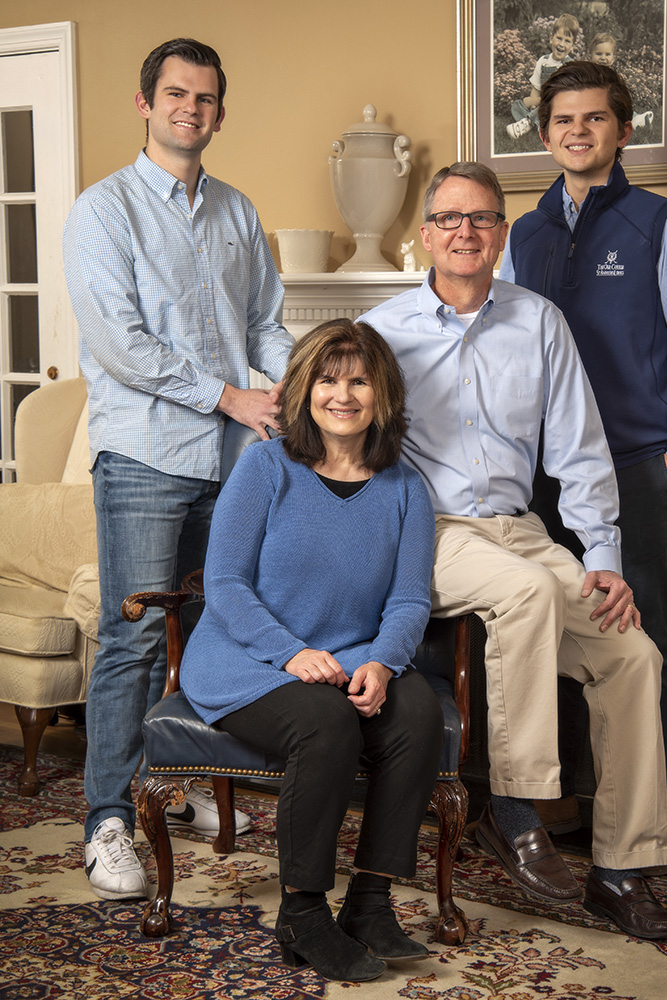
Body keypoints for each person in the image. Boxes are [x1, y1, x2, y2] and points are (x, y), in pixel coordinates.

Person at [363, 161, 667, 941]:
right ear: (425, 235)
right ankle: (514, 809)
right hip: (427, 532)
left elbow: (579, 451)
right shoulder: (380, 331)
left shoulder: (539, 322)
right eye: (449, 219)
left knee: (632, 655)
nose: (464, 232)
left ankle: (620, 869)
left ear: (502, 235)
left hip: (520, 532)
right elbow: (339, 440)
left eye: (481, 219)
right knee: (526, 593)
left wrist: (603, 557)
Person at [63, 38, 294, 901]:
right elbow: (122, 346)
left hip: (236, 462)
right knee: (129, 639)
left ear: (220, 114)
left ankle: (181, 775)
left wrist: (292, 383)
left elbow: (266, 321)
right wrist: (232, 397)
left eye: (204, 98)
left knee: (206, 630)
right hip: (147, 456)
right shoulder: (103, 210)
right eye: (174, 95)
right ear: (145, 104)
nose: (189, 109)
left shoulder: (238, 210)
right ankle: (107, 822)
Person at [499, 62, 667, 874]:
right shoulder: (520, 233)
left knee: (649, 641)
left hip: (635, 465)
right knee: (546, 631)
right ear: (548, 132)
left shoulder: (664, 225)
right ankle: (554, 796)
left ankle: (660, 812)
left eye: (596, 119)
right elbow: (517, 353)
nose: (578, 131)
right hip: (546, 475)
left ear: (623, 132)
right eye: (564, 119)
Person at [180, 319, 443, 982]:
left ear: (382, 394)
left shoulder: (407, 488)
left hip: (349, 653)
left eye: (358, 379)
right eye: (328, 379)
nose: (343, 394)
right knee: (325, 719)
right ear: (304, 390)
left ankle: (372, 904)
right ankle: (302, 914)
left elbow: (410, 600)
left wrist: (383, 661)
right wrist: (290, 652)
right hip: (246, 654)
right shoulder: (266, 465)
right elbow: (225, 584)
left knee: (416, 711)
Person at [507, 13, 580, 139]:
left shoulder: (570, 65)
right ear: (551, 38)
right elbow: (536, 87)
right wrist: (534, 103)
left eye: (567, 41)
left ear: (572, 46)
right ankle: (539, 121)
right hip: (542, 102)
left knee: (551, 106)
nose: (561, 44)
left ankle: (528, 123)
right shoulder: (543, 61)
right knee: (519, 104)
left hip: (559, 105)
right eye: (559, 38)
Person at [587, 35, 652, 129]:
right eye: (598, 54)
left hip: (610, 104)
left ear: (613, 58)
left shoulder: (611, 74)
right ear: (590, 56)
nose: (603, 58)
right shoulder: (590, 73)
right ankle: (632, 121)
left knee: (621, 105)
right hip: (596, 105)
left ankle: (636, 119)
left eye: (607, 54)